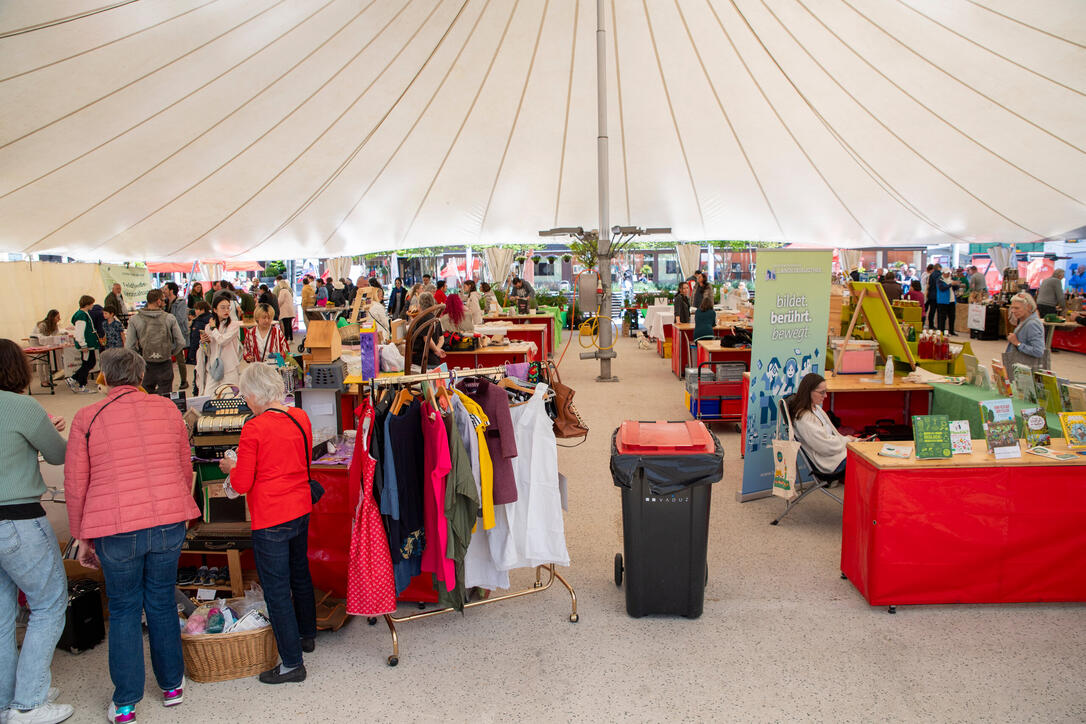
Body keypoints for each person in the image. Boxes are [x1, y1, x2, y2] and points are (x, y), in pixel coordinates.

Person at [63, 348, 198, 724]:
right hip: (168, 520)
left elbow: (76, 484)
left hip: (114, 527)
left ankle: (125, 704)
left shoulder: (87, 416)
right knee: (160, 601)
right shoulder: (167, 409)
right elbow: (183, 465)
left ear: (103, 377)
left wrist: (81, 538)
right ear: (141, 377)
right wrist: (181, 508)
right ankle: (172, 687)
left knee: (123, 609)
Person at [218, 365, 316, 684]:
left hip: (271, 516)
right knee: (300, 572)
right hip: (300, 507)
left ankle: (291, 664)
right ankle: (306, 635)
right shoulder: (300, 416)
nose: (246, 402)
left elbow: (243, 483)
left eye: (246, 396)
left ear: (258, 395)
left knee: (276, 590)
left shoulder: (254, 427)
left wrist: (231, 466)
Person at [0, 341, 73, 724]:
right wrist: (48, 429)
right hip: (18, 519)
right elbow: (59, 454)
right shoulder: (22, 406)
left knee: (2, 618)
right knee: (48, 604)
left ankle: (9, 698)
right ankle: (28, 702)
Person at [788, 373, 856, 477]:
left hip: (835, 455)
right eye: (822, 392)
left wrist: (850, 441)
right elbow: (824, 447)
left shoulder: (816, 408)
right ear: (808, 392)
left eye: (825, 392)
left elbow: (830, 438)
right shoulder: (804, 418)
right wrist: (847, 441)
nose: (825, 396)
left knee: (865, 453)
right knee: (866, 460)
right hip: (829, 462)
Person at [125, 289, 186, 395]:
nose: (165, 302)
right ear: (158, 301)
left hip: (145, 363)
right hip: (165, 362)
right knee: (165, 397)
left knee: (146, 397)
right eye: (163, 300)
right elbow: (181, 342)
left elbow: (129, 346)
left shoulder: (135, 319)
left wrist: (139, 356)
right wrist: (170, 353)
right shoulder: (169, 318)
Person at [196, 293, 244, 393]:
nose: (226, 310)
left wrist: (213, 329)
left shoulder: (233, 325)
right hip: (214, 366)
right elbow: (208, 351)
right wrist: (204, 342)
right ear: (214, 310)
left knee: (231, 397)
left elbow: (222, 341)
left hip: (229, 367)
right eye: (222, 308)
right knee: (208, 395)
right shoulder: (208, 326)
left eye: (228, 308)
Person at [1003, 292, 1048, 371]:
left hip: (1027, 371)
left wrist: (1017, 343)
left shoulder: (1032, 324)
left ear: (1029, 307)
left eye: (1017, 308)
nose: (1013, 311)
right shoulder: (1024, 321)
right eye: (1012, 308)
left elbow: (1038, 351)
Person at [68, 295, 101, 394]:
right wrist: (83, 344)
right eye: (92, 303)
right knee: (88, 363)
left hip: (89, 344)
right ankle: (79, 383)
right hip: (86, 345)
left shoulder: (84, 314)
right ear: (87, 304)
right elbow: (80, 331)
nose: (93, 305)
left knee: (89, 363)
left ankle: (75, 380)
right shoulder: (81, 315)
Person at [162, 283, 191, 390]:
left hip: (177, 334)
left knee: (179, 359)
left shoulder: (180, 302)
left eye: (165, 289)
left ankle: (184, 380)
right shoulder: (165, 302)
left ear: (171, 290)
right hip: (167, 333)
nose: (163, 291)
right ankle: (167, 381)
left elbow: (180, 318)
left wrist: (168, 321)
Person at [409, 292, 445, 370]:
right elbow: (441, 338)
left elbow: (427, 338)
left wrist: (436, 350)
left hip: (423, 362)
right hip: (434, 360)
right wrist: (437, 349)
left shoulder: (422, 319)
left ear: (420, 305)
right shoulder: (436, 319)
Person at [30, 310, 62, 388]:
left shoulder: (55, 325)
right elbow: (42, 337)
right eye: (57, 317)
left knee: (47, 361)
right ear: (52, 317)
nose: (59, 319)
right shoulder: (42, 324)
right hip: (36, 341)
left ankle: (48, 380)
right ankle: (43, 381)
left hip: (45, 341)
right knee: (40, 361)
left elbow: (54, 335)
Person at [187, 301, 212, 395]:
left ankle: (197, 393)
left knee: (199, 373)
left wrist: (191, 355)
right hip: (204, 351)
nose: (195, 311)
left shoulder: (201, 322)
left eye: (197, 309)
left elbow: (194, 340)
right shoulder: (208, 319)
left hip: (201, 351)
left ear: (202, 309)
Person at [275, 277, 296, 343]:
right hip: (290, 311)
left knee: (286, 325)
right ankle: (291, 338)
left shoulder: (282, 291)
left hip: (285, 311)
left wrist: (277, 306)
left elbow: (280, 301)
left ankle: (287, 339)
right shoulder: (287, 291)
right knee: (289, 325)